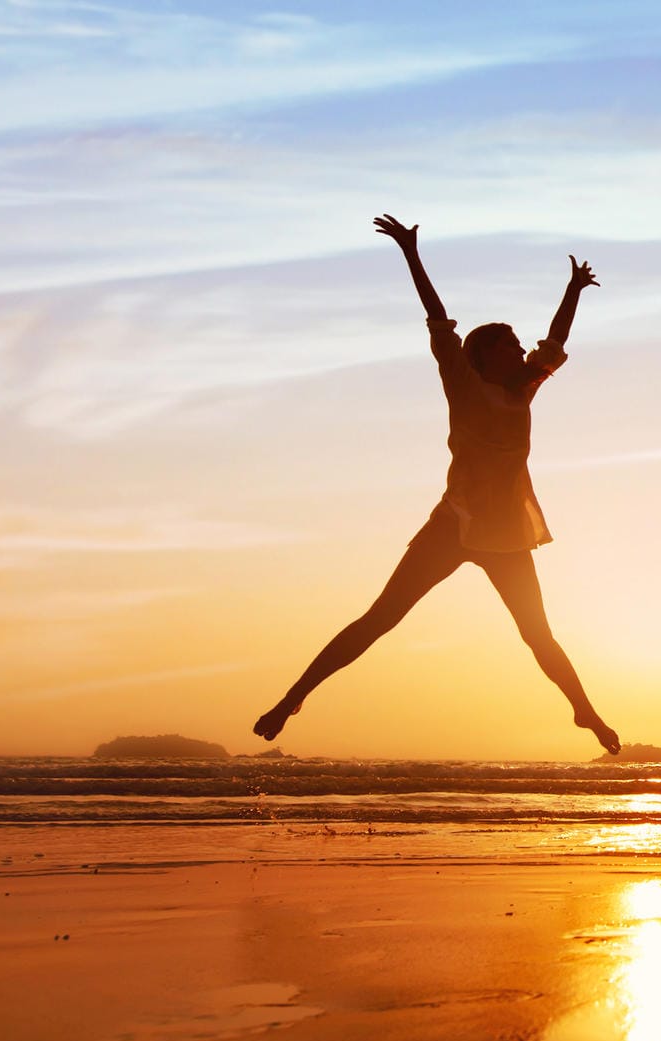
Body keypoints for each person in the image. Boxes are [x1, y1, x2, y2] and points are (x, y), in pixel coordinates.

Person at [253, 214, 619, 755]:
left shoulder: (524, 392)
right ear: (483, 355)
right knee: (381, 617)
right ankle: (292, 698)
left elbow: (555, 341)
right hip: (453, 525)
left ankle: (583, 710)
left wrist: (571, 291)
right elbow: (438, 318)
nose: (520, 350)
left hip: (506, 534)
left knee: (537, 633)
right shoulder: (463, 384)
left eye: (519, 344)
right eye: (509, 344)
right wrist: (410, 252)